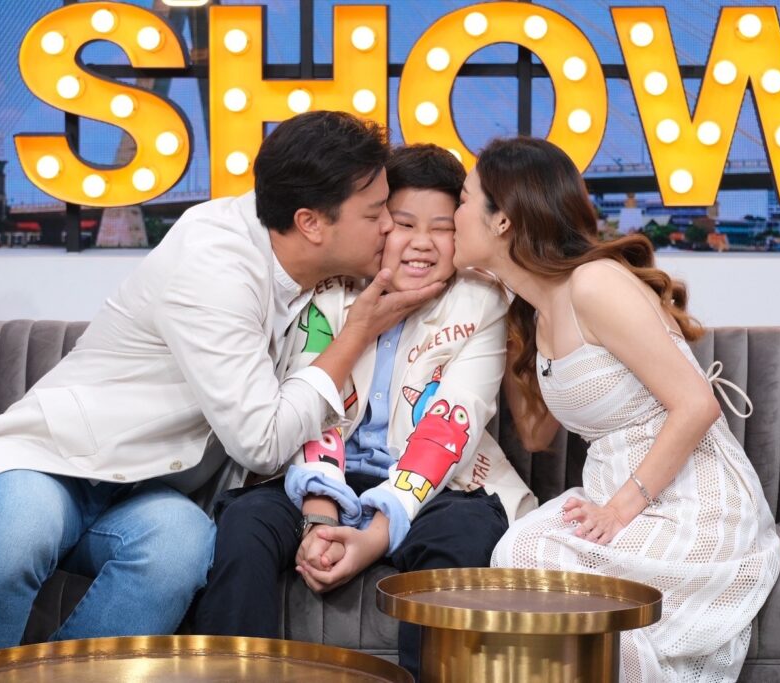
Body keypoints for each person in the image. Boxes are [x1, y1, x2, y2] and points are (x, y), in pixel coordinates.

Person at [0, 111, 444, 672]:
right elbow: (262, 442)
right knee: (19, 534)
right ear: (310, 222)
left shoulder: (320, 266)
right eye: (376, 214)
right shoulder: (214, 263)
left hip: (153, 491)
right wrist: (357, 333)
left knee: (179, 549)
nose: (390, 227)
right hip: (60, 459)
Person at [194, 144, 535, 679]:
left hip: (438, 483)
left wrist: (375, 536)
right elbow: (310, 401)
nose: (421, 243)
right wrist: (320, 517)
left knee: (462, 539)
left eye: (442, 227)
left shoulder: (481, 302)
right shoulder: (329, 289)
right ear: (378, 226)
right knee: (245, 524)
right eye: (403, 224)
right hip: (318, 476)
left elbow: (453, 421)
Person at [453, 136, 780, 682]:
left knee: (534, 560)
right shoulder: (535, 313)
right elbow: (534, 436)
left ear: (502, 219)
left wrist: (619, 512)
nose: (452, 217)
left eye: (463, 201)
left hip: (689, 494)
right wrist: (500, 323)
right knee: (516, 552)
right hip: (611, 488)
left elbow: (696, 405)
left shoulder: (594, 283)